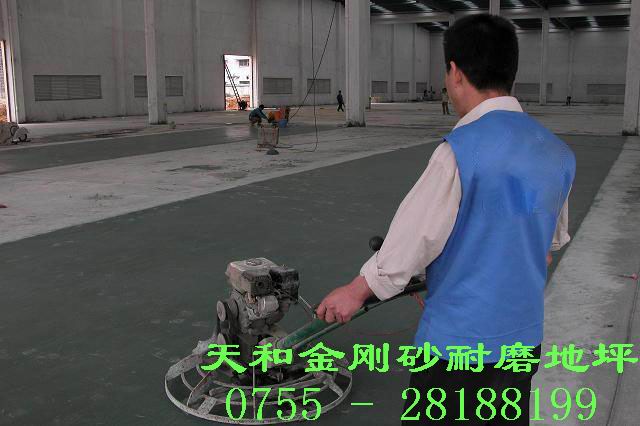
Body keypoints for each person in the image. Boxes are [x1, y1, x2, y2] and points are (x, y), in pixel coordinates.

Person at [316, 13, 575, 425]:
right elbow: (544, 248)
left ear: (455, 72)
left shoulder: (459, 151)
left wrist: (356, 290)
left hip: (457, 348)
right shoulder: (558, 153)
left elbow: (413, 241)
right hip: (523, 342)